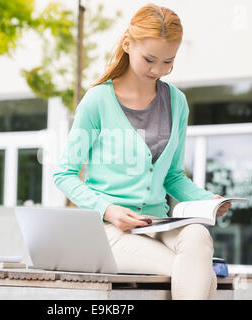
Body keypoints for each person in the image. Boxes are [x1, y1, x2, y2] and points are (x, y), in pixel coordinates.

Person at [53, 3, 231, 300]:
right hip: (111, 230)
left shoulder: (177, 102)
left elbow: (173, 176)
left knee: (198, 236)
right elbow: (64, 174)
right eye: (150, 59)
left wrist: (206, 201)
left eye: (167, 62)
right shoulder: (98, 101)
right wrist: (107, 210)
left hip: (160, 223)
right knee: (197, 272)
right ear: (127, 44)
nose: (157, 70)